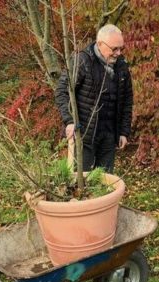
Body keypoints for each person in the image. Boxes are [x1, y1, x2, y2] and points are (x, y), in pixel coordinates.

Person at [55, 24, 133, 173]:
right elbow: (61, 92)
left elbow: (127, 100)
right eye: (114, 49)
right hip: (84, 135)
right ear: (99, 44)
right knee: (82, 184)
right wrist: (69, 121)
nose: (118, 53)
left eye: (121, 48)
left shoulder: (122, 66)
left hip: (109, 136)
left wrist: (124, 131)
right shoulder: (82, 61)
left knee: (104, 182)